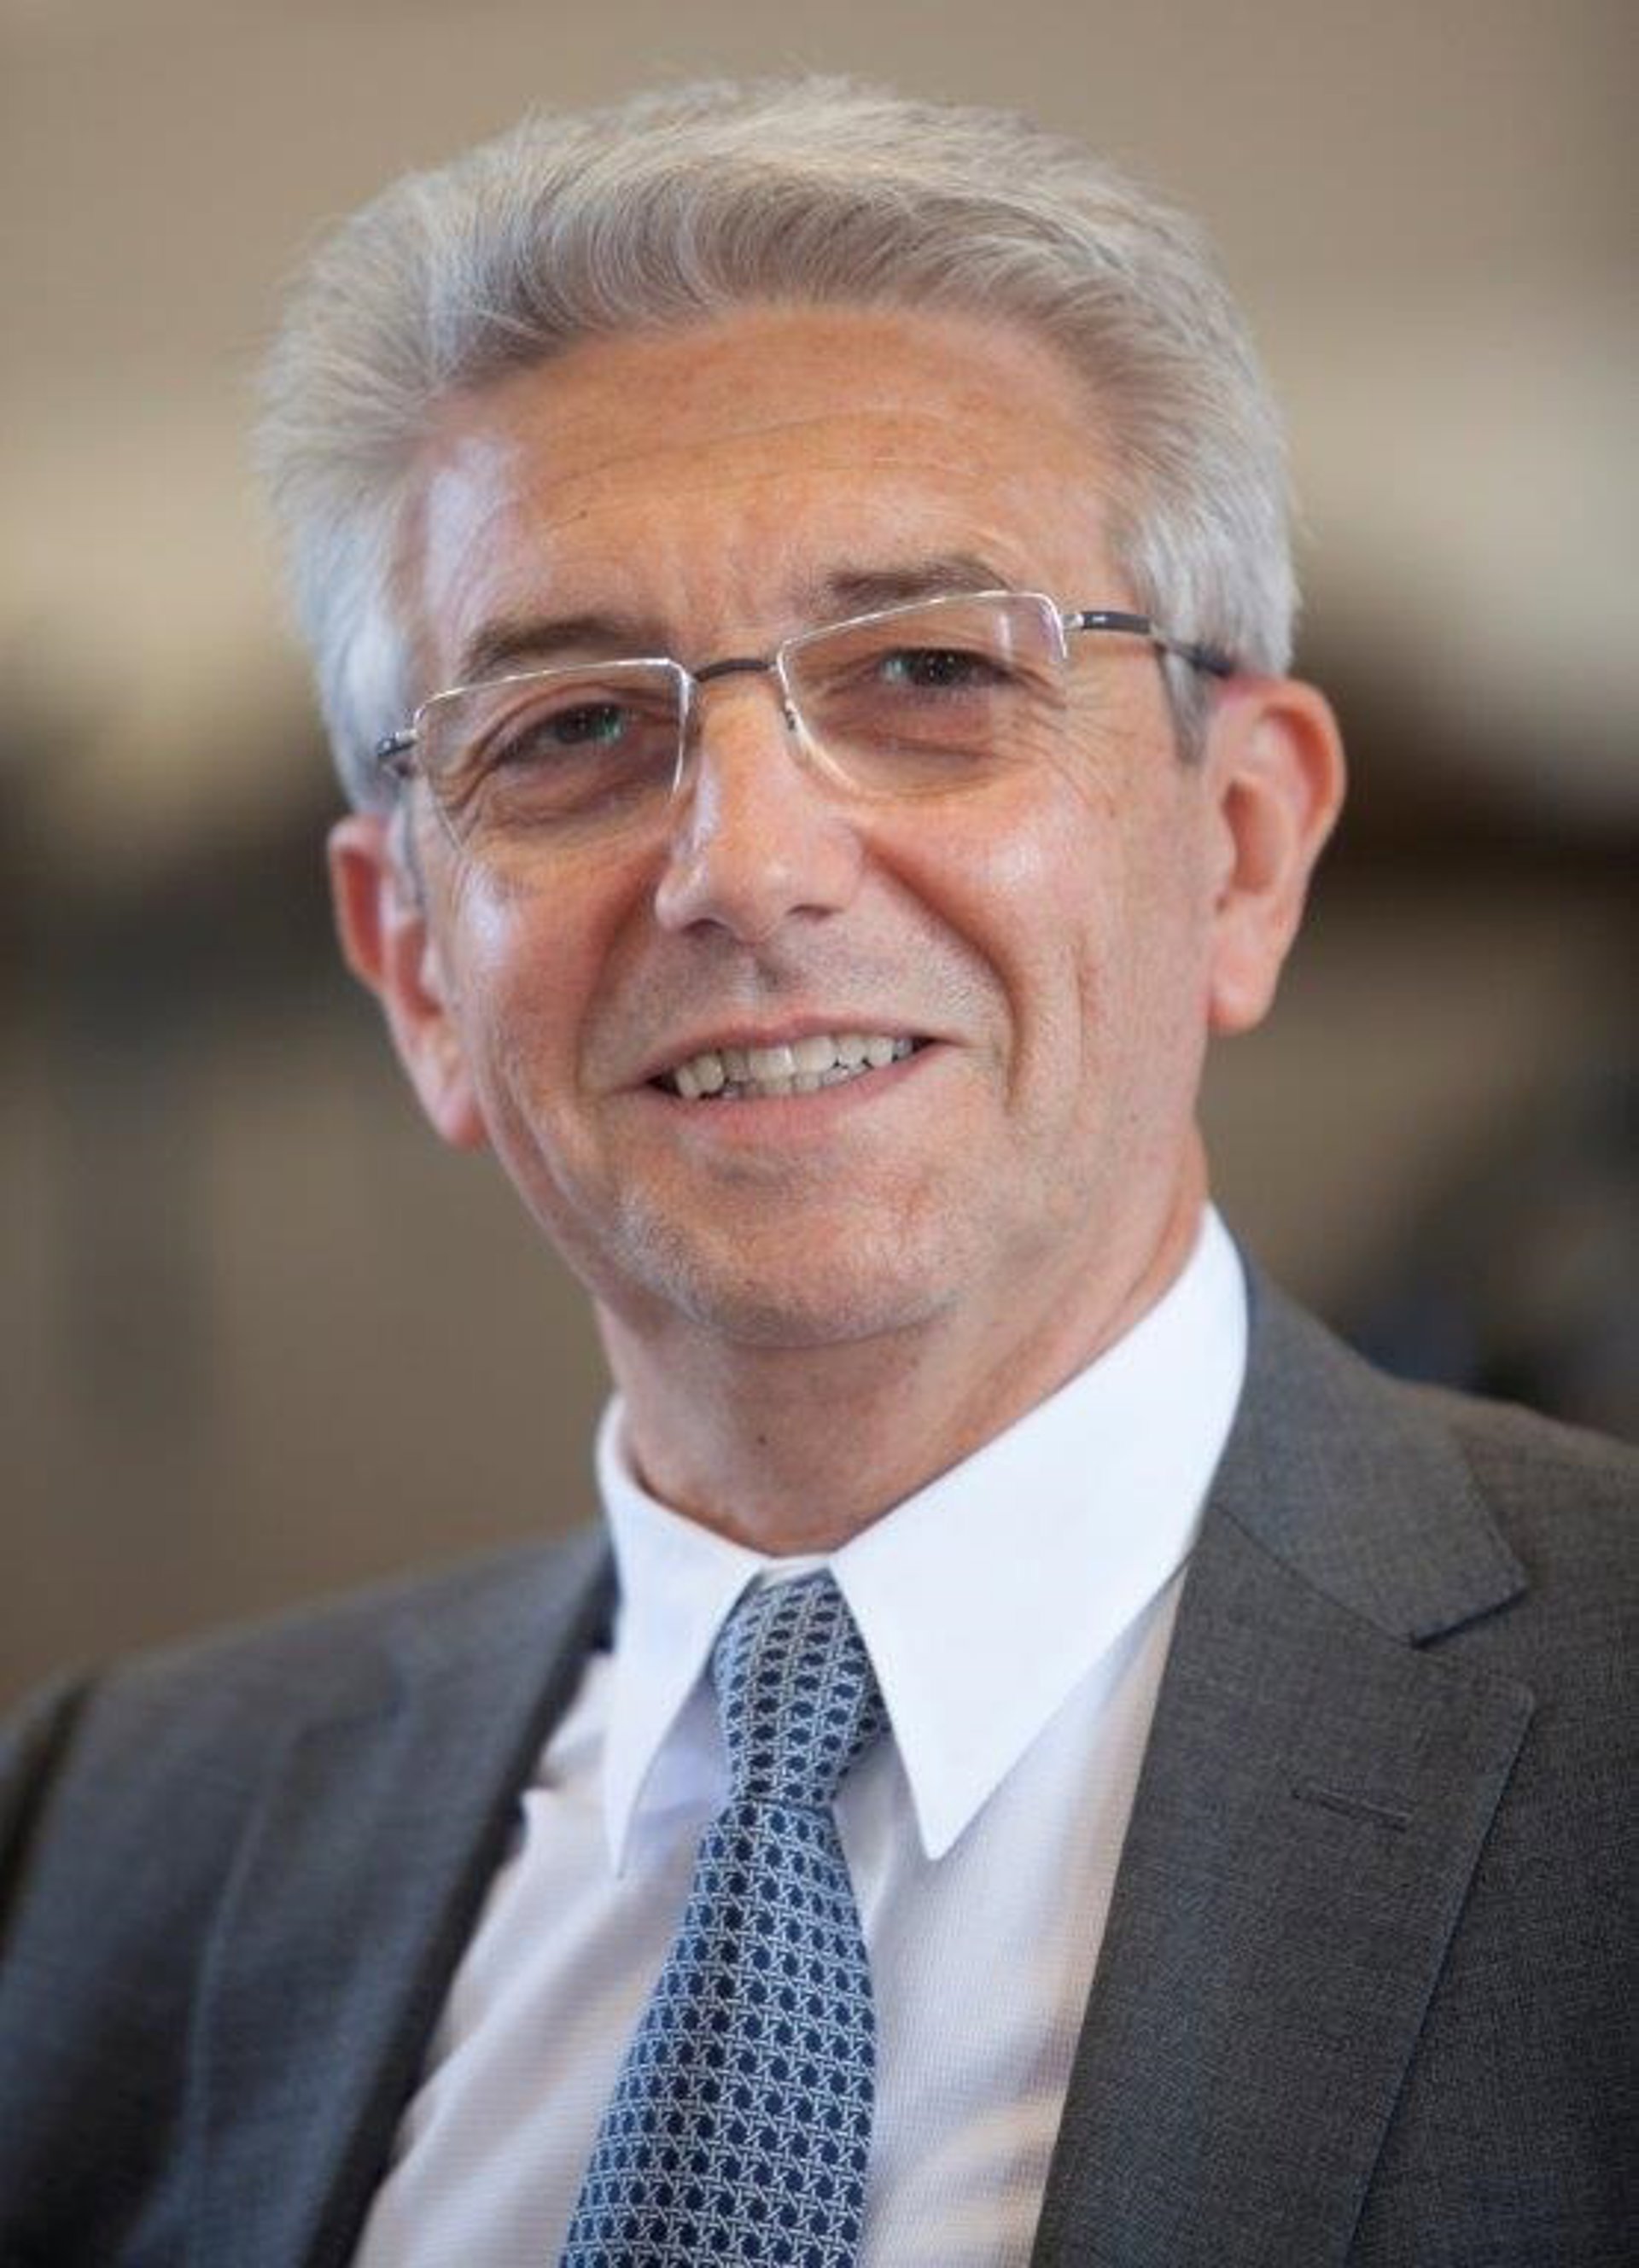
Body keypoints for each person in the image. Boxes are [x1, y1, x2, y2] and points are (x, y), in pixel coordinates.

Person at [0, 79, 1631, 2268]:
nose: (746, 867)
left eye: (935, 673)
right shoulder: (97, 1851)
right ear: (414, 964)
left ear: (1242, 849)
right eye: (570, 728)